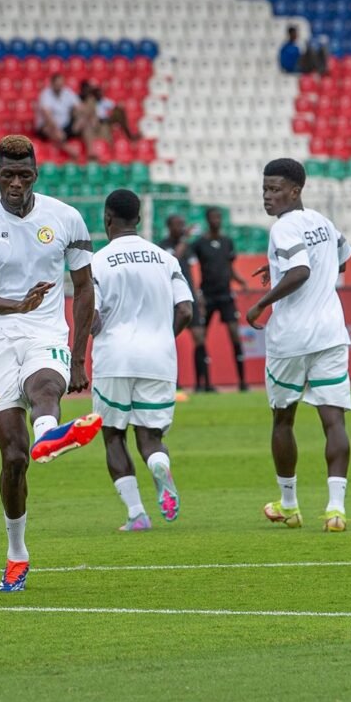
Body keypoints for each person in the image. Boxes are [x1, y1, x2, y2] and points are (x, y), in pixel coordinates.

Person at [0, 134, 101, 593]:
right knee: (14, 457)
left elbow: (84, 288)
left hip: (46, 332)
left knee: (45, 387)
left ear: (36, 174)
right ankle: (17, 551)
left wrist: (80, 356)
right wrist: (16, 305)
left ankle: (51, 435)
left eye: (25, 174)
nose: (16, 183)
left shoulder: (66, 218)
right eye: (8, 175)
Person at [245, 158, 351, 533]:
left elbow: (300, 271)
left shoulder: (284, 228)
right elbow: (342, 258)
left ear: (296, 190)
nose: (268, 197)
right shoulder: (323, 222)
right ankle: (335, 509)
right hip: (330, 333)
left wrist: (263, 301)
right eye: (265, 189)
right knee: (333, 419)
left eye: (275, 189)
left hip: (291, 338)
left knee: (283, 417)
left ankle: (289, 505)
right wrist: (275, 269)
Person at [89, 189, 194, 532]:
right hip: (159, 357)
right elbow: (185, 310)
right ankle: (159, 464)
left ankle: (137, 514)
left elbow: (92, 318)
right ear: (137, 219)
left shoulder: (98, 261)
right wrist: (163, 335)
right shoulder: (165, 259)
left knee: (113, 435)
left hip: (115, 358)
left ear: (107, 218)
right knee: (150, 437)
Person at [191, 207, 251, 392]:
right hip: (207, 295)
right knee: (200, 337)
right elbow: (189, 264)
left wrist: (241, 281)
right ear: (207, 220)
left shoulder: (227, 242)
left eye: (218, 217)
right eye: (212, 218)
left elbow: (229, 267)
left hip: (225, 295)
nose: (216, 220)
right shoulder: (199, 244)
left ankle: (242, 382)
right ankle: (202, 384)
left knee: (235, 333)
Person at [159, 213, 208, 391]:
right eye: (178, 224)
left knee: (199, 337)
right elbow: (174, 259)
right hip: (170, 298)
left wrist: (198, 295)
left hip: (188, 295)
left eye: (183, 224)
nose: (181, 227)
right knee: (169, 339)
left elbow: (191, 271)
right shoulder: (163, 246)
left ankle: (203, 384)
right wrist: (186, 238)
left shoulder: (188, 247)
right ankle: (172, 382)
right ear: (169, 227)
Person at [34, 73, 89, 159]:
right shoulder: (45, 94)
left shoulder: (67, 92)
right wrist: (56, 129)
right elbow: (47, 116)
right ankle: (71, 151)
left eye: (61, 84)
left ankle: (91, 153)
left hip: (65, 125)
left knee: (85, 125)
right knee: (51, 131)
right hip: (49, 126)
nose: (59, 86)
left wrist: (81, 119)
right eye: (57, 84)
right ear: (52, 83)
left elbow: (80, 107)